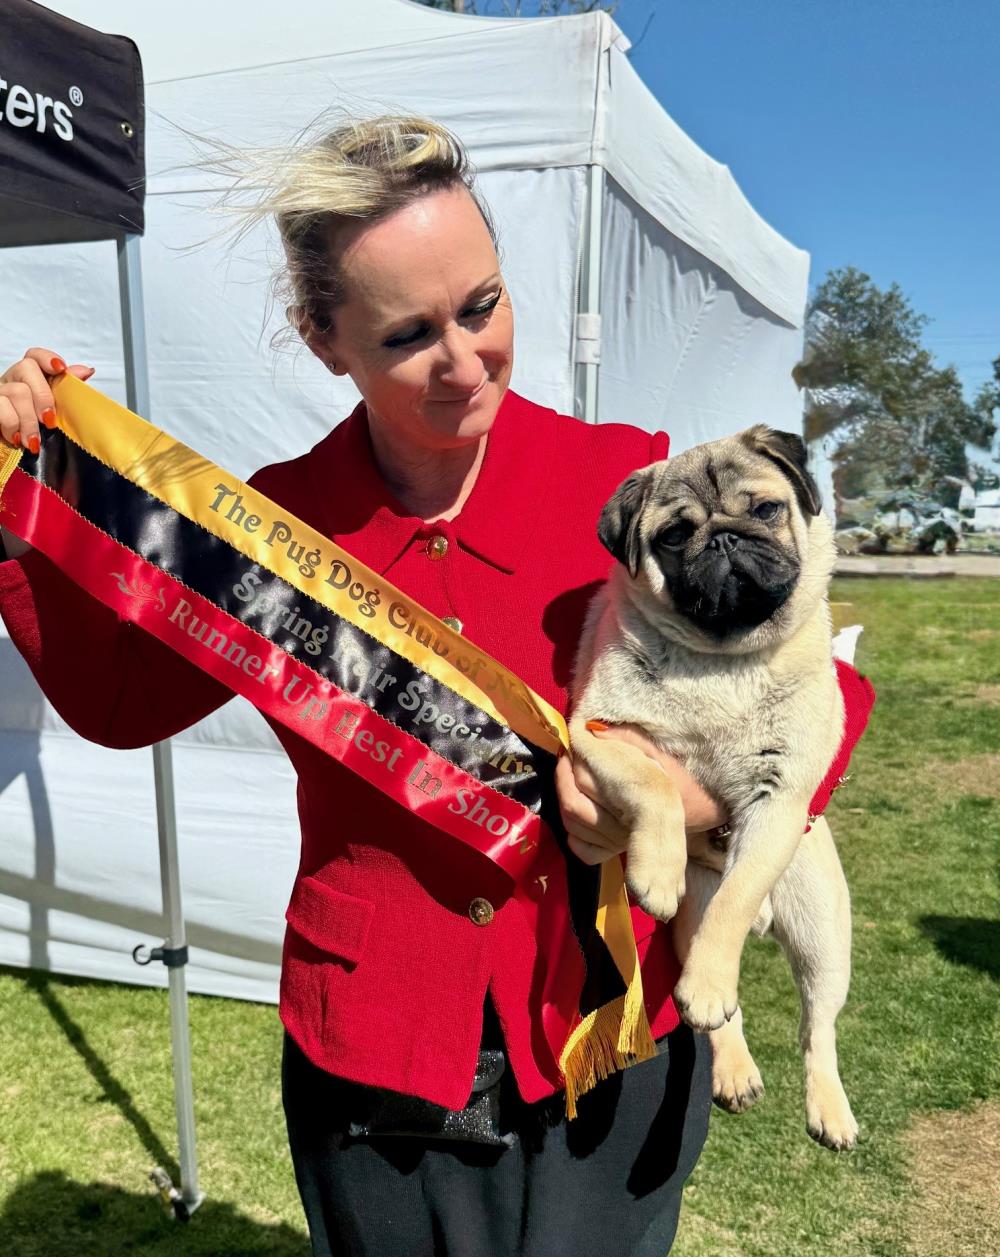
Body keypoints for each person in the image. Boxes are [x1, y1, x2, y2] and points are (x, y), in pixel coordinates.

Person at [0, 117, 872, 1257]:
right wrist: (19, 510)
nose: (464, 360)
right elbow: (121, 707)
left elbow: (826, 693)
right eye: (409, 334)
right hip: (378, 1050)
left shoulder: (626, 476)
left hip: (616, 1033)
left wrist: (688, 802)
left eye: (483, 306)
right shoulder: (271, 527)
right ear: (324, 341)